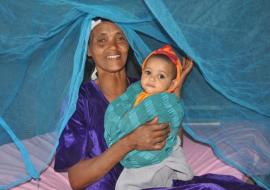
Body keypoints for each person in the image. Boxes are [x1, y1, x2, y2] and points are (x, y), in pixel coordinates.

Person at [54, 18, 265, 190]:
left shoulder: (148, 87)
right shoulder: (79, 103)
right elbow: (77, 180)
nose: (114, 47)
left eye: (121, 38)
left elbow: (174, 142)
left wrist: (173, 93)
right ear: (89, 50)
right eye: (102, 41)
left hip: (159, 180)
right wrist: (129, 143)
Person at [104, 44, 193, 189]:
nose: (152, 79)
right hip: (137, 150)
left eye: (161, 76)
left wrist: (180, 80)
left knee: (125, 185)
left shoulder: (163, 102)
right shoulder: (136, 94)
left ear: (172, 84)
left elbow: (173, 108)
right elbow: (123, 112)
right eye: (148, 72)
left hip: (157, 156)